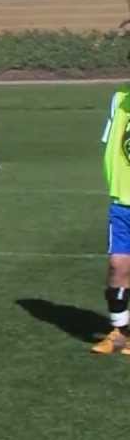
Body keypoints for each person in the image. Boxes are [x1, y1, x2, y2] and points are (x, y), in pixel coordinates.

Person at [92, 80, 130, 356]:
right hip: (122, 203)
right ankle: (119, 333)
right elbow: (111, 147)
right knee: (118, 266)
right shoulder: (119, 100)